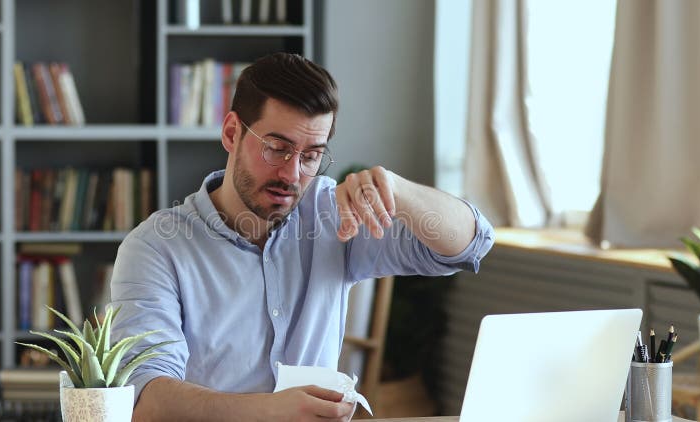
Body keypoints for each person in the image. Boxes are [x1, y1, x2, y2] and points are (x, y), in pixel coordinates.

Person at [110, 52, 494, 421]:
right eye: (277, 148)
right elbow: (146, 400)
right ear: (231, 133)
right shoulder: (155, 248)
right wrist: (271, 412)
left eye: (311, 155)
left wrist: (396, 189)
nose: (292, 174)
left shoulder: (332, 213)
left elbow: (471, 243)